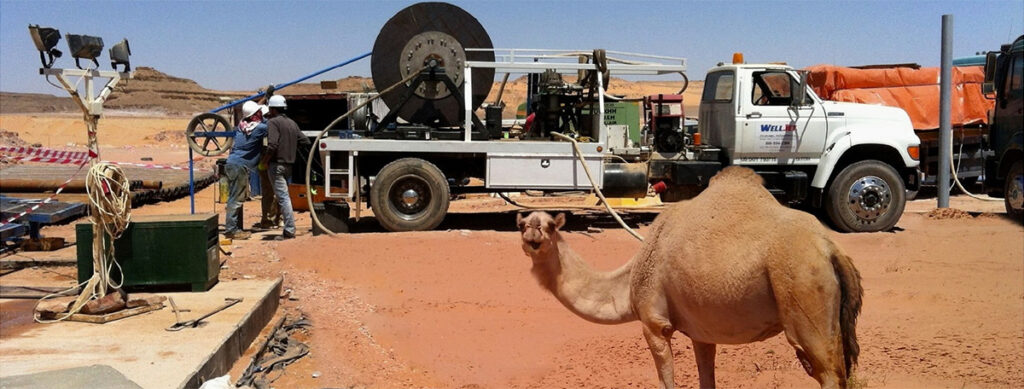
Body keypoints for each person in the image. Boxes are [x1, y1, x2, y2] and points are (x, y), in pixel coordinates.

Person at [260, 95, 310, 240]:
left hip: (277, 165)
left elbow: (272, 145)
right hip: (289, 165)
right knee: (284, 197)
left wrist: (264, 161)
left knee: (283, 198)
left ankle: (289, 230)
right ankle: (283, 224)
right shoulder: (292, 123)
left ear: (273, 109)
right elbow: (305, 141)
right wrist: (291, 148)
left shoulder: (273, 123)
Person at [223, 101, 269, 240]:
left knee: (234, 197)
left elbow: (250, 114)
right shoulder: (260, 128)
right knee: (235, 199)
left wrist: (264, 98)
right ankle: (231, 230)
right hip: (239, 166)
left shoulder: (242, 125)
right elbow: (272, 126)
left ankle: (234, 227)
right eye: (259, 112)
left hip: (233, 163)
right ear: (255, 115)